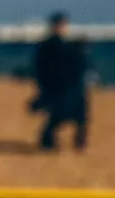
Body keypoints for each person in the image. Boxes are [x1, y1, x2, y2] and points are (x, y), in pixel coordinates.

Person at [31, 12, 90, 150]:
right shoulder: (48, 46)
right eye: (60, 25)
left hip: (68, 87)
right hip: (57, 88)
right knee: (60, 114)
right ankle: (48, 138)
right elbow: (42, 69)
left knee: (77, 114)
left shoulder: (63, 46)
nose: (63, 28)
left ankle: (78, 139)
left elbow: (76, 65)